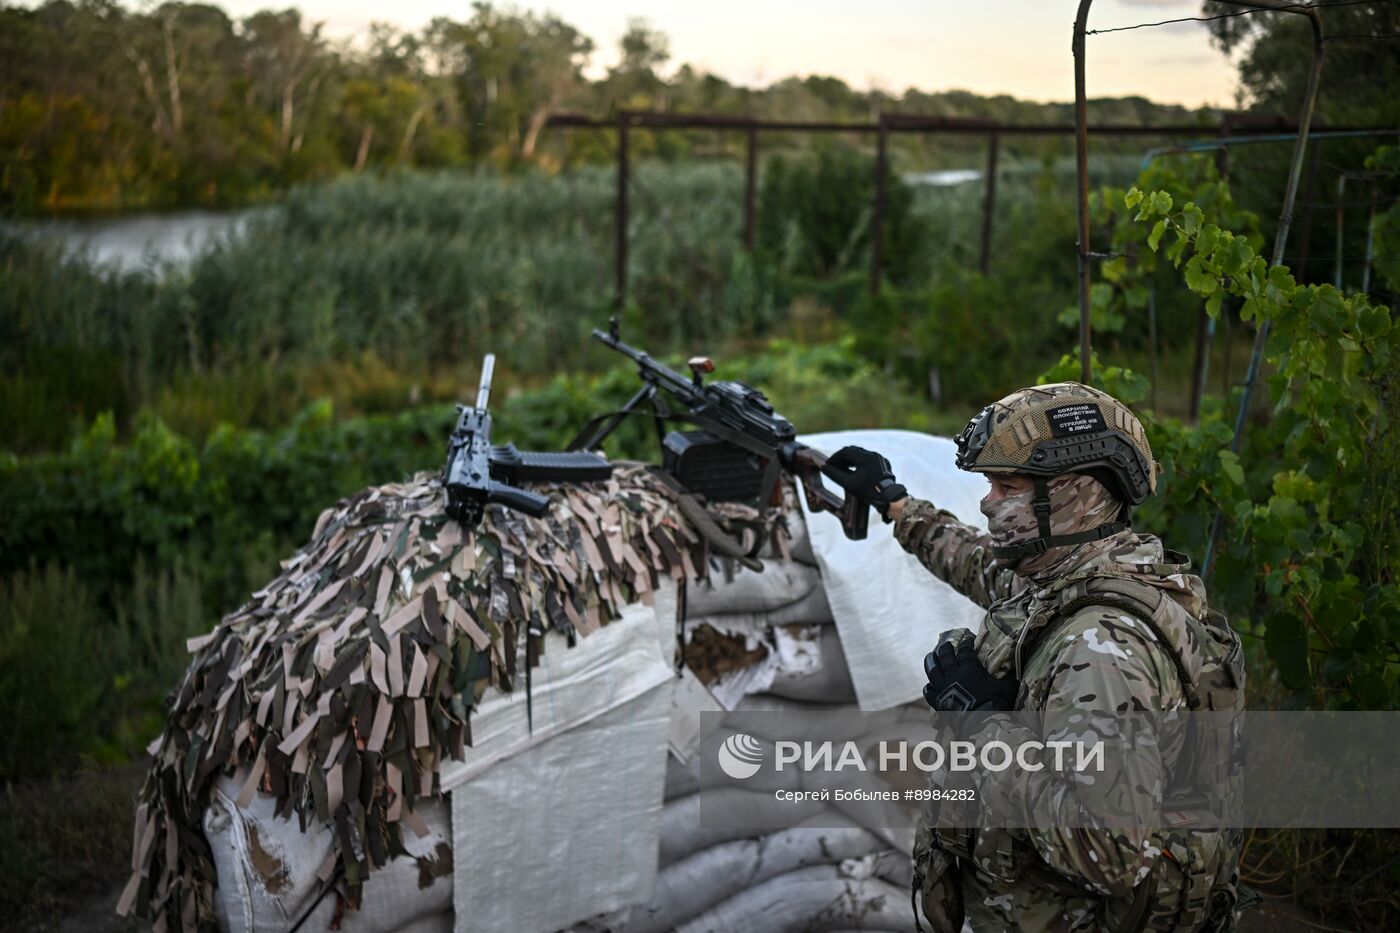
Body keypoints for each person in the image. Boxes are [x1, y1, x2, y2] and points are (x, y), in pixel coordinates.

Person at [820, 382, 1248, 933]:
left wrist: (985, 725)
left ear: (1075, 494)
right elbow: (975, 562)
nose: (987, 501)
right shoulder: (1080, 577)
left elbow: (1108, 851)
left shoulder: (1101, 649)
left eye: (1006, 485)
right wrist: (895, 503)